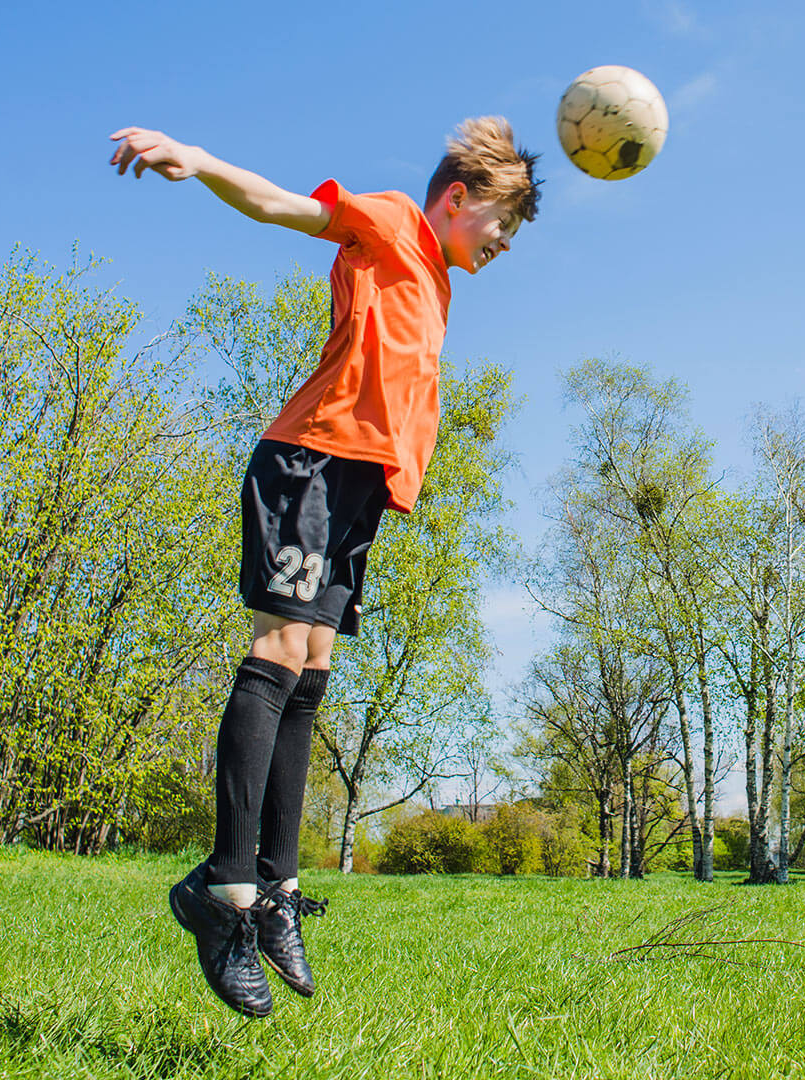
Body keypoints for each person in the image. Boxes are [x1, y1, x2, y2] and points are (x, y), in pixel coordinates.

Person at [105, 118, 540, 1018]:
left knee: (312, 671)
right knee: (277, 653)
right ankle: (223, 893)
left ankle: (277, 885)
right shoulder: (388, 223)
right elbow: (282, 206)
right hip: (307, 461)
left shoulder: (437, 280)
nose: (504, 243)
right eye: (503, 221)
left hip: (355, 491)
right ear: (457, 198)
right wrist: (199, 160)